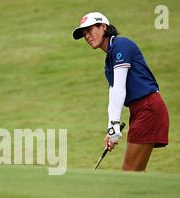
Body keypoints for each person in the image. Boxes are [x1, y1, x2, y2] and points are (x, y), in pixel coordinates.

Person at [72, 12, 169, 171]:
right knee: (136, 171)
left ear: (103, 26)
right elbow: (113, 96)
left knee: (129, 172)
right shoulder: (108, 62)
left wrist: (114, 126)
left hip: (149, 108)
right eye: (84, 34)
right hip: (140, 111)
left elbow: (119, 88)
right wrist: (111, 129)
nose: (87, 36)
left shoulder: (121, 45)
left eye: (90, 30)